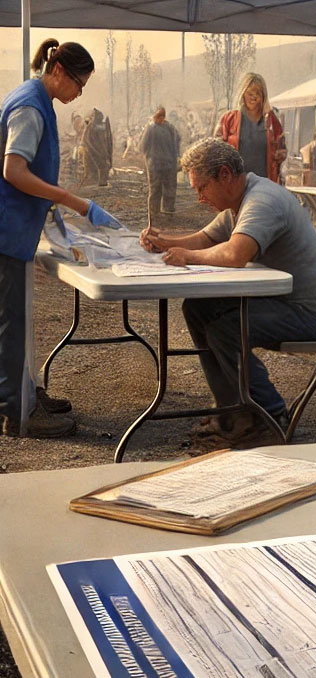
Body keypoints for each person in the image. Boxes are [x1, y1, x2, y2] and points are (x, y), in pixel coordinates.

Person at [138, 138, 316, 449]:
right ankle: (232, 410)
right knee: (198, 309)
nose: (200, 198)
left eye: (202, 188)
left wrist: (186, 256)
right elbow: (205, 239)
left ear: (224, 175)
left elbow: (235, 254)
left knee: (226, 328)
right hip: (285, 303)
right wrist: (163, 241)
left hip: (313, 316)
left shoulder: (262, 201)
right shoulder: (241, 199)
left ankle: (267, 416)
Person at [0, 39, 123, 438]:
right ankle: (17, 412)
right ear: (57, 71)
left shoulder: (38, 100)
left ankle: (26, 394)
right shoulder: (30, 107)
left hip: (17, 227)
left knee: (17, 321)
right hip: (7, 229)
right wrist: (74, 201)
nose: (79, 94)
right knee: (10, 324)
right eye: (78, 84)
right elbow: (14, 171)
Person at [216, 73, 286, 183]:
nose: (253, 97)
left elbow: (282, 150)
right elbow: (216, 149)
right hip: (235, 184)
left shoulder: (272, 121)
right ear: (243, 94)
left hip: (264, 183)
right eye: (250, 93)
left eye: (258, 93)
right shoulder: (229, 119)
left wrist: (280, 155)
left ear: (263, 96)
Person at [139, 106, 181, 221]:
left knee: (162, 190)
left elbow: (142, 147)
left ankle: (161, 213)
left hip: (161, 164)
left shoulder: (157, 128)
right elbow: (177, 142)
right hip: (161, 164)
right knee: (160, 189)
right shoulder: (165, 128)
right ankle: (160, 213)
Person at [80, 107, 112, 186]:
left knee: (102, 167)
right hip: (90, 150)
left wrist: (103, 151)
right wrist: (93, 150)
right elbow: (86, 140)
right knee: (90, 170)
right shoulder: (90, 127)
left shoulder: (99, 126)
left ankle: (101, 182)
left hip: (98, 150)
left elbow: (104, 140)